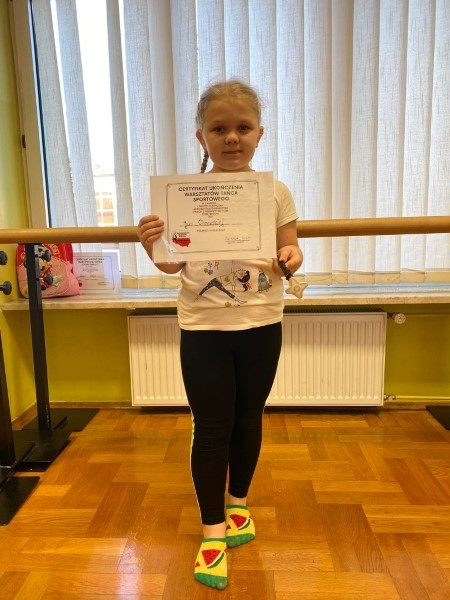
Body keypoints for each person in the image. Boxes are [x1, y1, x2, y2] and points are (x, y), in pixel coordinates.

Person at [138, 80, 303, 590]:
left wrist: (291, 257)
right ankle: (212, 530)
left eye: (243, 127)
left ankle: (238, 504)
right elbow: (171, 265)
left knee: (248, 417)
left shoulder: (275, 192)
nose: (232, 137)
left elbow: (291, 249)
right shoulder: (182, 195)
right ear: (201, 137)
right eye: (219, 129)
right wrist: (151, 244)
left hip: (262, 323)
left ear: (260, 134)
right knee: (212, 426)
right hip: (204, 327)